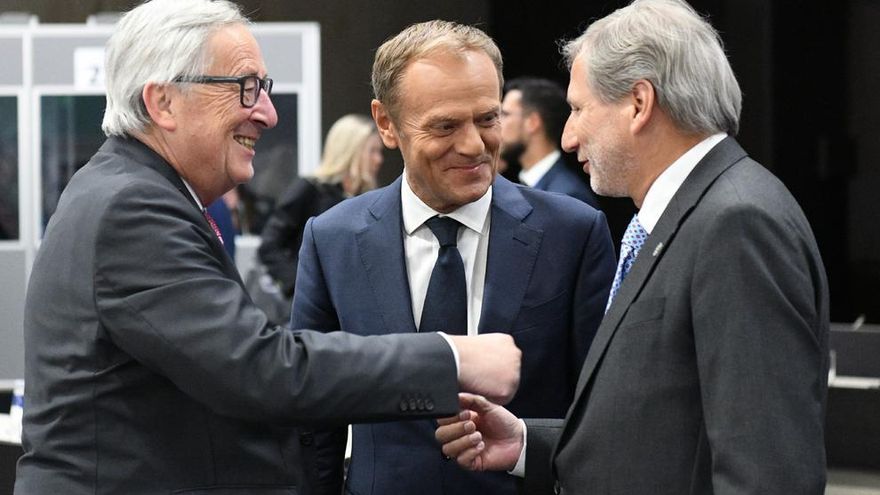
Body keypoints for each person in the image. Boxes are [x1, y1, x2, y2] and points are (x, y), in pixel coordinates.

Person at [15, 1, 522, 494]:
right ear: (162, 102)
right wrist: (450, 358)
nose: (268, 113)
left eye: (264, 88)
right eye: (245, 88)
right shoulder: (133, 207)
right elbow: (261, 370)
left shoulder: (129, 192)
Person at [436, 0, 830, 493]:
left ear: (639, 104)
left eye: (579, 109)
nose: (569, 135)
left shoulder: (736, 223)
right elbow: (664, 429)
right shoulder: (692, 214)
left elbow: (767, 468)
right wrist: (526, 442)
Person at [291, 20, 616, 495]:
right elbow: (313, 414)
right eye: (445, 126)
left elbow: (601, 412)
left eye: (487, 119)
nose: (473, 145)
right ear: (386, 123)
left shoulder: (573, 233)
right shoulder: (333, 238)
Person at [253, 114, 383, 324]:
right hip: (314, 310)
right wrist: (300, 285)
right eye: (372, 151)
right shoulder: (310, 189)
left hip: (354, 310)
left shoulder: (370, 199)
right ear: (351, 150)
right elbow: (270, 245)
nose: (379, 159)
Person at [501, 77, 598, 208]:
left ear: (532, 122)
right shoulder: (524, 185)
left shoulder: (568, 196)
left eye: (505, 114)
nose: (497, 124)